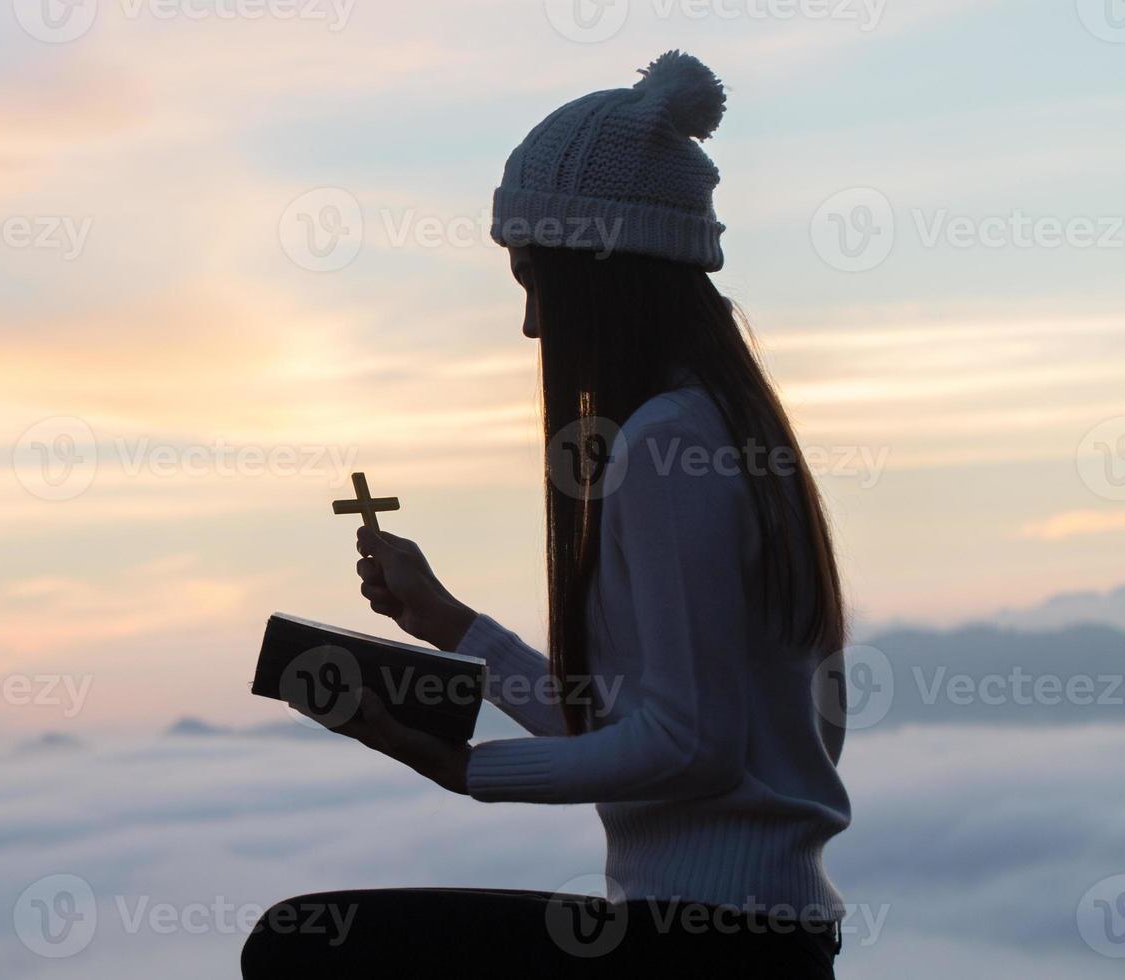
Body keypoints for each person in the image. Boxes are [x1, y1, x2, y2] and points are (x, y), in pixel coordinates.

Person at [243, 51, 851, 979]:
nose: (533, 325)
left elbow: (689, 749)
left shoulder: (663, 446)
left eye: (536, 282)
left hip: (705, 948)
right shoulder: (731, 432)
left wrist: (465, 771)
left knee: (302, 947)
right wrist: (450, 626)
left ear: (599, 275)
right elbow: (646, 732)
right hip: (750, 937)